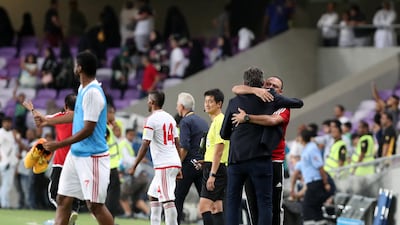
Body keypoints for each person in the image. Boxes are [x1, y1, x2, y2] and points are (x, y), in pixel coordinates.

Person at [34, 51, 114, 225]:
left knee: (95, 206)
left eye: (75, 64)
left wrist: (58, 144)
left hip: (91, 156)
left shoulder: (93, 93)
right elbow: (75, 115)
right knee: (62, 199)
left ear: (79, 68)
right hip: (75, 155)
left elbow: (88, 130)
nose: (73, 67)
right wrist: (47, 120)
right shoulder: (82, 89)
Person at [221, 69, 303, 225]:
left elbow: (273, 121)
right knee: (257, 204)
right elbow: (235, 88)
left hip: (273, 160)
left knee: (273, 205)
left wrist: (246, 117)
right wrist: (255, 90)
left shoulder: (279, 104)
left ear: (281, 91)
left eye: (275, 86)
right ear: (261, 85)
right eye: (268, 84)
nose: (270, 87)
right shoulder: (267, 99)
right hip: (261, 158)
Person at [23, 93, 80, 223]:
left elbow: (41, 121)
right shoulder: (83, 120)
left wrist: (32, 110)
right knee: (74, 191)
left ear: (65, 106)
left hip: (61, 162)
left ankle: (68, 212)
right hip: (78, 161)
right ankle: (74, 210)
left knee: (53, 193)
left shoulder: (59, 117)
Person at [130, 90, 182, 225]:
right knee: (153, 195)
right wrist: (179, 165)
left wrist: (134, 165)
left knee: (167, 199)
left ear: (152, 102)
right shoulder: (170, 118)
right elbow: (177, 142)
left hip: (165, 164)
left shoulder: (151, 119)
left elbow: (145, 144)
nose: (147, 102)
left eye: (148, 100)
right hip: (171, 162)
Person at [175, 92, 209, 224]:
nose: (177, 107)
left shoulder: (185, 122)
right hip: (201, 164)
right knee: (205, 200)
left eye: (178, 104)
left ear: (182, 107)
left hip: (188, 165)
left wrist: (177, 165)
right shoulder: (203, 121)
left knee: (178, 198)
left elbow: (184, 147)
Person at [197, 88, 229, 225]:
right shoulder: (215, 121)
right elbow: (213, 149)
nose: (207, 104)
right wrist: (204, 161)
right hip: (213, 165)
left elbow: (219, 150)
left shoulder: (220, 121)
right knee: (216, 207)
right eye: (206, 101)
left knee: (203, 207)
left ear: (219, 104)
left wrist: (212, 174)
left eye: (211, 101)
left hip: (217, 168)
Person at [290, 129, 334, 224]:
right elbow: (295, 174)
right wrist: (293, 190)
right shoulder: (306, 150)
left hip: (316, 182)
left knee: (307, 207)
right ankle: (320, 222)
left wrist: (326, 183)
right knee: (315, 208)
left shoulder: (312, 148)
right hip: (312, 183)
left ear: (302, 138)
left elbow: (320, 167)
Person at [0, 116, 19, 208]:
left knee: (9, 185)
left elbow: (15, 146)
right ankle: (4, 204)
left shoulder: (12, 133)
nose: (7, 124)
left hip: (12, 162)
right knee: (6, 185)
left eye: (9, 122)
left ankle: (6, 204)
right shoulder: (1, 132)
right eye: (5, 122)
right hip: (5, 161)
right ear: (3, 123)